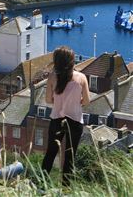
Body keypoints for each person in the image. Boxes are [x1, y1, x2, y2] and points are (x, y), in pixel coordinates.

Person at [42, 46, 90, 186]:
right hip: (75, 120)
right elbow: (86, 101)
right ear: (72, 61)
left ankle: (41, 186)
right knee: (70, 156)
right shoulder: (81, 78)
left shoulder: (52, 77)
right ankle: (66, 189)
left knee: (50, 154)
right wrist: (76, 101)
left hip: (57, 119)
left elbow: (48, 100)